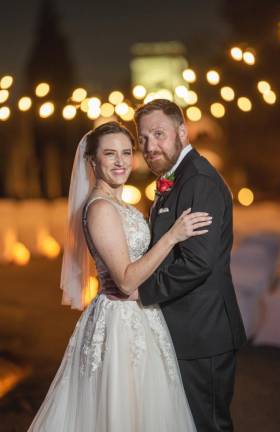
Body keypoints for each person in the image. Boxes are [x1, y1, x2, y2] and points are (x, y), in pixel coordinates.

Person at [27, 121, 212, 432]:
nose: (121, 161)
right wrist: (173, 236)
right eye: (110, 154)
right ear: (92, 162)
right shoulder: (100, 208)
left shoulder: (120, 204)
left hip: (143, 315)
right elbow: (126, 280)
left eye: (126, 153)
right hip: (120, 322)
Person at [134, 99, 247, 432]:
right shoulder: (177, 177)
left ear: (182, 132)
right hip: (184, 330)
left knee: (208, 425)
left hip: (202, 332)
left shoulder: (199, 181)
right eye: (143, 138)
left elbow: (198, 262)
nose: (150, 146)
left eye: (159, 134)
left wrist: (141, 291)